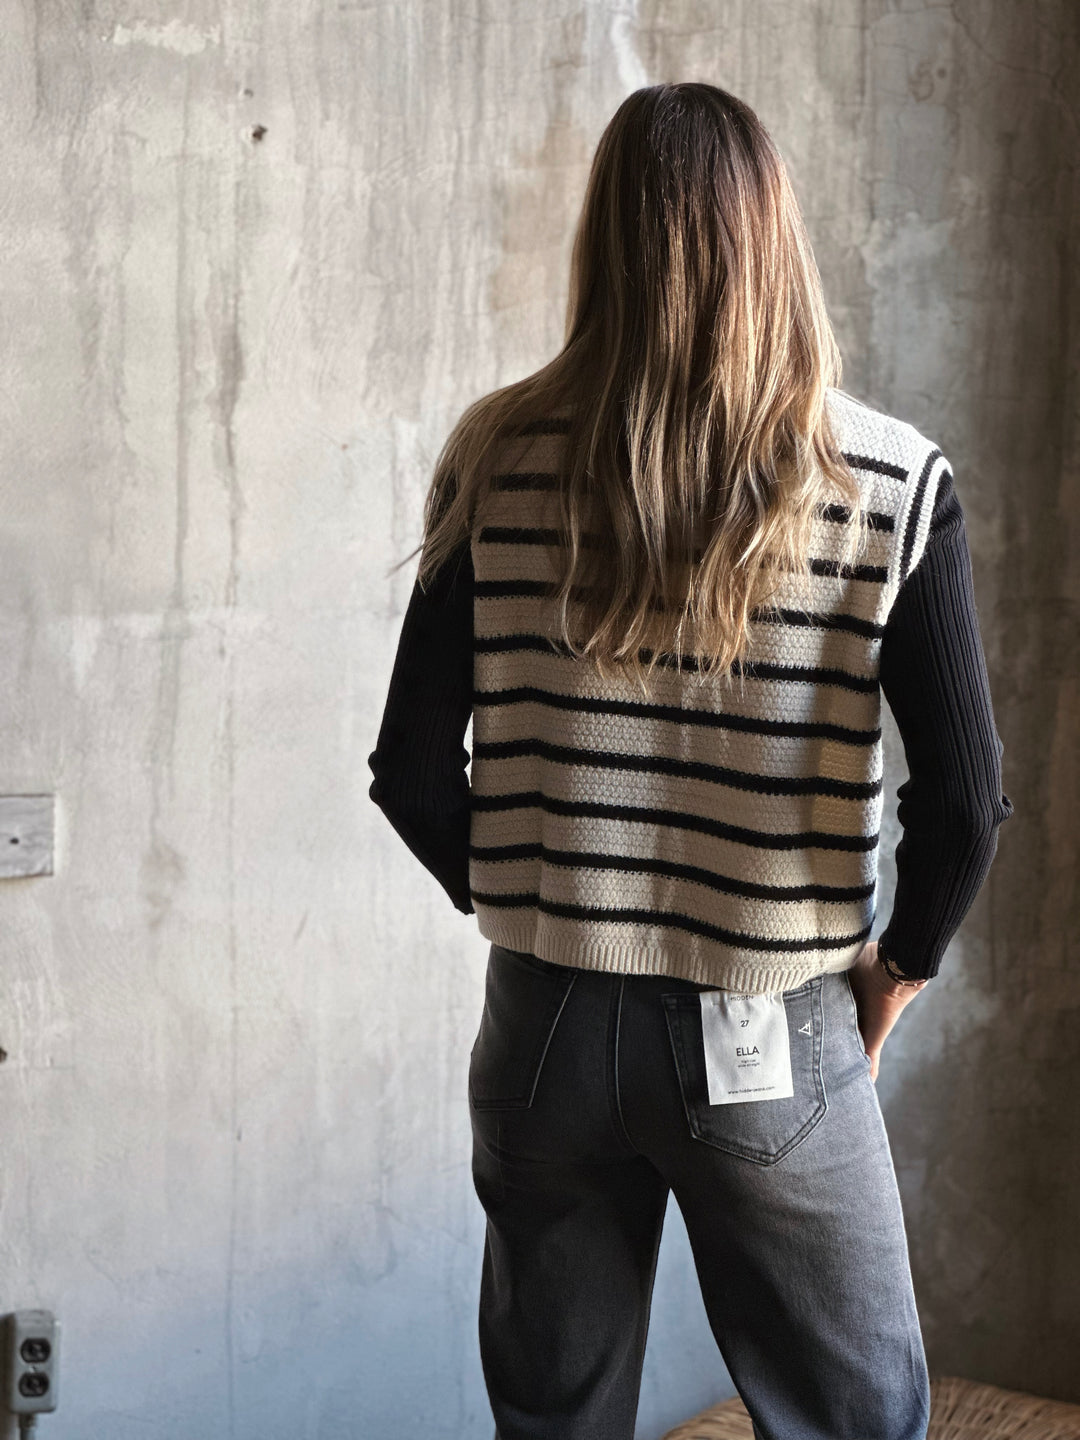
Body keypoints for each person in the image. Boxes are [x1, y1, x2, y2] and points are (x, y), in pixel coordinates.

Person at [367, 82, 1013, 1440]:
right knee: (859, 1423)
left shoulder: (494, 460)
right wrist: (890, 981)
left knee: (555, 1420)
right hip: (768, 1023)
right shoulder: (886, 481)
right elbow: (964, 805)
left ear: (603, 241)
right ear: (773, 240)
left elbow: (414, 773)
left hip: (543, 1020)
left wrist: (538, 906)